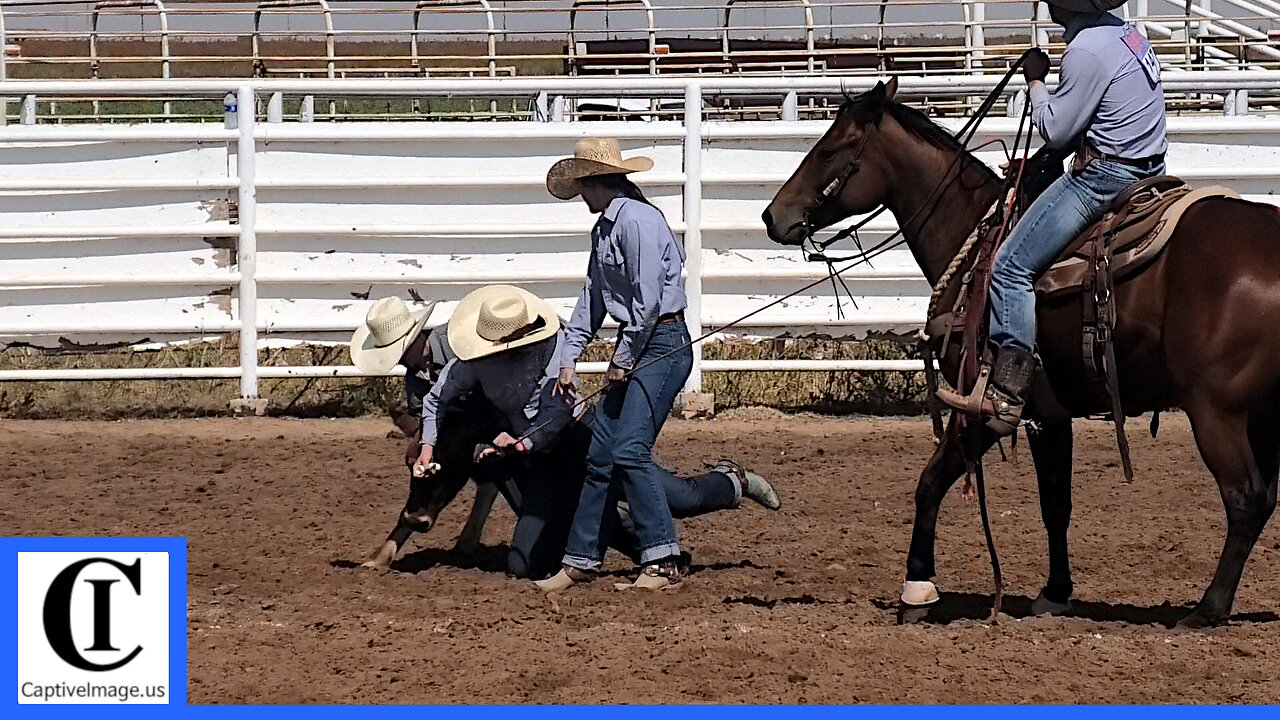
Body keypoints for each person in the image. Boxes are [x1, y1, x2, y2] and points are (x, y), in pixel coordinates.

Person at [377, 286, 780, 581]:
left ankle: (730, 483)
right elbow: (436, 402)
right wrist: (428, 446)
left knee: (677, 497)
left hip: (581, 439)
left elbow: (558, 412)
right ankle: (617, 537)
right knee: (523, 565)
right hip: (538, 459)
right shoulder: (472, 362)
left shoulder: (553, 348)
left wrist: (522, 441)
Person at [536, 139, 775, 593]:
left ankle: (662, 559)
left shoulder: (637, 222)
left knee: (627, 451)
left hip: (660, 343)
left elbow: (645, 303)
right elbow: (592, 299)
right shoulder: (607, 229)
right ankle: (581, 560)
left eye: (581, 186)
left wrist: (621, 359)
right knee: (601, 455)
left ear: (593, 182)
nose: (580, 196)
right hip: (645, 342)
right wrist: (567, 358)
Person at [937, 0, 1167, 435]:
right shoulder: (1129, 34)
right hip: (1151, 168)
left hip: (1105, 177)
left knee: (1010, 266)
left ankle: (1007, 393)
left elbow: (1056, 128)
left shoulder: (1085, 51)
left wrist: (1036, 81)